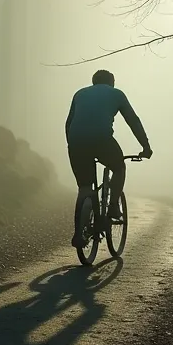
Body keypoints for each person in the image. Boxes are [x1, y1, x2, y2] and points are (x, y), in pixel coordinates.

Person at [65, 70, 153, 242]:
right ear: (112, 82)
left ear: (93, 82)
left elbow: (69, 122)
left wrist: (73, 144)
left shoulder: (80, 94)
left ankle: (78, 234)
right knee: (119, 167)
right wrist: (145, 146)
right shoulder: (117, 94)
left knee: (84, 188)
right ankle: (113, 206)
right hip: (102, 140)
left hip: (76, 142)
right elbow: (132, 120)